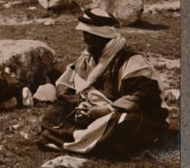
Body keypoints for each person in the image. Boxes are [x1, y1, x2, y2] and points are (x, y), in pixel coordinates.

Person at [38, 8, 169, 157]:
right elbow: (66, 84)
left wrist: (107, 109)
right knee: (54, 112)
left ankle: (69, 139)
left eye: (88, 35)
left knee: (124, 121)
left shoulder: (131, 60)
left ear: (102, 37)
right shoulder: (87, 58)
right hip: (95, 112)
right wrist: (81, 103)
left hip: (130, 115)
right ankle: (101, 142)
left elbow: (145, 96)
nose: (84, 39)